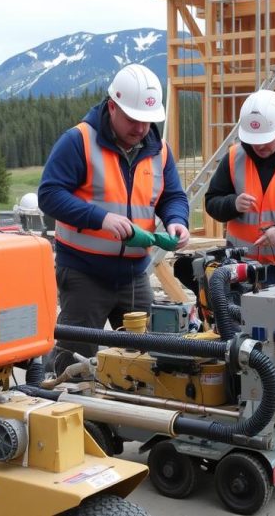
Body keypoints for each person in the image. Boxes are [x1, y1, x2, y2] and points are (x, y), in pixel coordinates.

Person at [38, 64, 191, 374]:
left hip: (135, 275)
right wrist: (100, 219)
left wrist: (177, 220)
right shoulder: (78, 141)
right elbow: (50, 195)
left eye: (147, 121)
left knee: (145, 363)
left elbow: (172, 196)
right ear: (112, 107)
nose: (141, 129)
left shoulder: (159, 151)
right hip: (84, 274)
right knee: (73, 361)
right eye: (133, 120)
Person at [204, 89, 275, 279]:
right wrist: (232, 204)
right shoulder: (234, 157)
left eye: (266, 140)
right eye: (253, 140)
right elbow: (211, 202)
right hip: (239, 266)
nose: (259, 146)